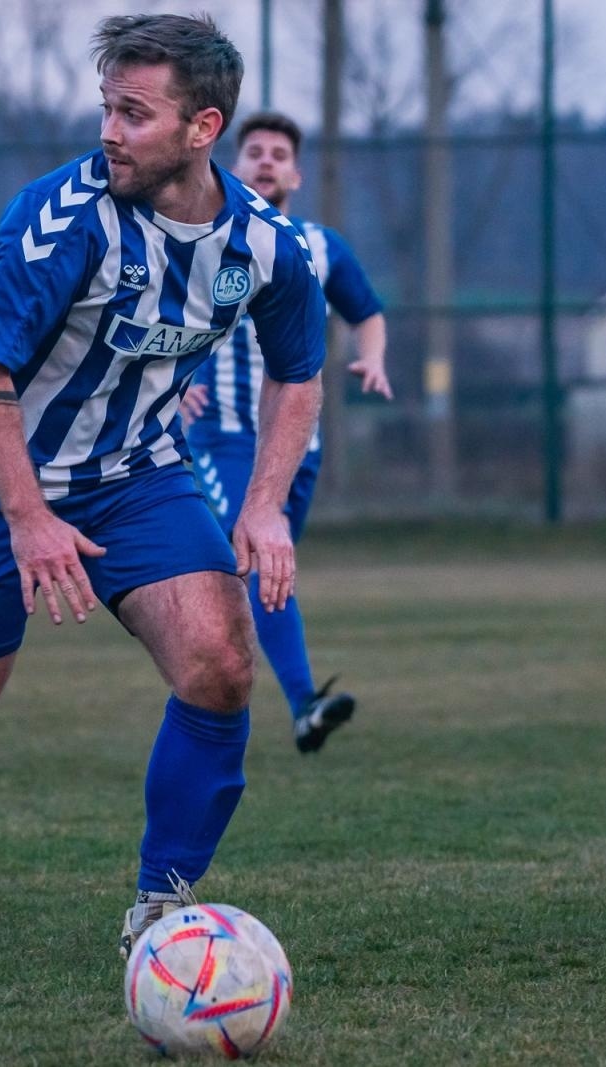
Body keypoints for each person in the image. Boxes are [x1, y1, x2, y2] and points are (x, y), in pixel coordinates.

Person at [0, 14, 326, 959]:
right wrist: (27, 514)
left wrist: (264, 503)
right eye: (107, 108)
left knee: (220, 662)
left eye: (135, 114)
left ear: (203, 128)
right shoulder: (63, 219)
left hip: (138, 475)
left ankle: (161, 908)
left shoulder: (265, 245)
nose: (110, 132)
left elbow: (299, 372)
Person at [180, 110, 392, 755]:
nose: (266, 161)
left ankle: (287, 708)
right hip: (222, 436)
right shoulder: (200, 238)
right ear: (233, 166)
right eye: (255, 151)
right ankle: (284, 704)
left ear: (296, 175)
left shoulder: (321, 247)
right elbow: (158, 317)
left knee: (266, 576)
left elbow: (367, 312)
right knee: (250, 562)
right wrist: (174, 379)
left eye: (279, 154)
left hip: (297, 444)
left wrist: (374, 357)